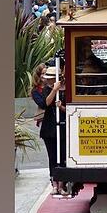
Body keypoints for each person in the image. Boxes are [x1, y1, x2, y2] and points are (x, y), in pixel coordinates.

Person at [31, 64, 65, 197]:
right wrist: (54, 90)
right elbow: (45, 103)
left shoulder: (66, 89)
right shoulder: (44, 90)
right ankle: (54, 184)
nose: (49, 80)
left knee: (63, 156)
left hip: (63, 126)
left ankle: (62, 184)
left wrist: (61, 107)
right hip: (49, 128)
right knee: (52, 156)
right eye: (47, 77)